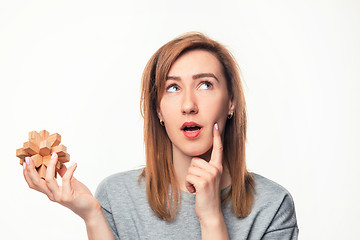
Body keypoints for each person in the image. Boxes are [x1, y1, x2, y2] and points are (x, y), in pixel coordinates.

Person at [23, 32, 299, 239]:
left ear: (231, 103)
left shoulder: (272, 206)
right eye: (173, 88)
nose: (189, 105)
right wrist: (92, 215)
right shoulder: (116, 196)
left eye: (205, 84)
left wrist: (212, 217)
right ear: (158, 110)